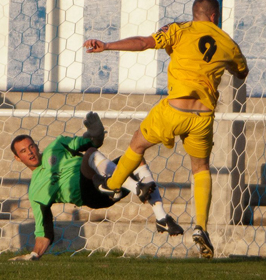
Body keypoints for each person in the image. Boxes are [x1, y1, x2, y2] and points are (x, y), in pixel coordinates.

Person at [83, 0, 249, 259]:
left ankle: (113, 184)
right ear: (215, 17)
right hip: (203, 117)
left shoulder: (178, 29)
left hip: (175, 109)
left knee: (137, 143)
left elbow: (143, 43)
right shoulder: (229, 43)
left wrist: (107, 45)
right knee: (201, 168)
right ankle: (201, 228)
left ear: (195, 13)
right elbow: (242, 72)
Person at [9, 112, 183, 261]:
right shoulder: (36, 192)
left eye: (31, 146)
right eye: (23, 151)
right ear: (18, 158)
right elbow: (44, 232)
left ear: (36, 146)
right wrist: (34, 255)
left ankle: (161, 219)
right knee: (90, 156)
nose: (30, 152)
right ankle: (134, 187)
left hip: (104, 181)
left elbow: (92, 143)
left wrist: (96, 133)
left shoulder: (57, 145)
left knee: (136, 159)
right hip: (89, 194)